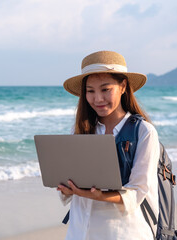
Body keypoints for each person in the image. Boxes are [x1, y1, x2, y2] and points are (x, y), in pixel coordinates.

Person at [57, 51, 160, 239]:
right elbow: (71, 191)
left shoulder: (144, 132)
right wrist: (66, 188)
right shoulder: (79, 130)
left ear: (123, 86)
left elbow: (138, 192)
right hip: (79, 232)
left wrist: (99, 196)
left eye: (105, 89)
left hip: (122, 233)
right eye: (90, 91)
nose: (98, 99)